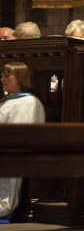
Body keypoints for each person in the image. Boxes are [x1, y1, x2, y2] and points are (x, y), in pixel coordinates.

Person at [0, 62, 45, 219]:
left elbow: (20, 133)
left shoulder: (29, 102)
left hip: (15, 155)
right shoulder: (6, 101)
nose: (2, 79)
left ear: (20, 78)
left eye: (7, 76)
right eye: (2, 75)